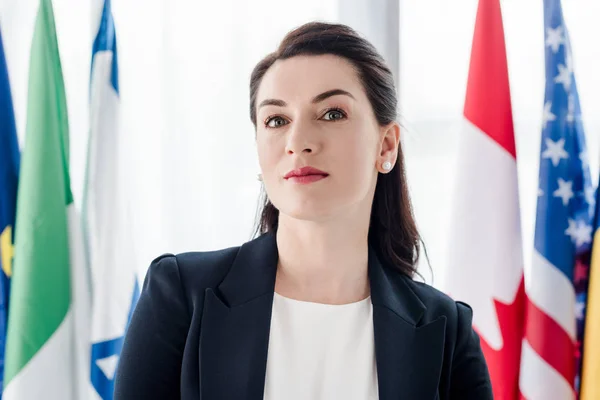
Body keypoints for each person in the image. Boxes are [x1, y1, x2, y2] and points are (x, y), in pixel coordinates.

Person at [114, 21, 492, 400]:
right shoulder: (180, 295)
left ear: (386, 146)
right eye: (277, 120)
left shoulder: (445, 331)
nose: (298, 142)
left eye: (331, 114)